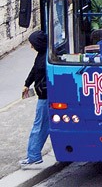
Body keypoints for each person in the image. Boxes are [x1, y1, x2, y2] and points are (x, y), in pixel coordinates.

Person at [19, 30, 49, 169]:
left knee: (39, 126)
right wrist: (27, 83)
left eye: (33, 44)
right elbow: (34, 70)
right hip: (44, 95)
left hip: (45, 97)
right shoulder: (43, 55)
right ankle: (34, 155)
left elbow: (37, 71)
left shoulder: (45, 58)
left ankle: (33, 156)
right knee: (42, 126)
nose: (31, 47)